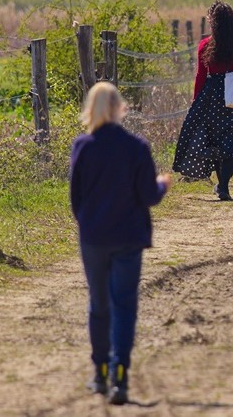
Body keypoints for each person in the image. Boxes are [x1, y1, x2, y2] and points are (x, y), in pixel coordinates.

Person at [69, 82, 171, 405]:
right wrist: (162, 185)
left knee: (99, 304)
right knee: (124, 305)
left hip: (94, 237)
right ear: (119, 108)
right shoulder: (136, 147)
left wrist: (89, 222)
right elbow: (148, 196)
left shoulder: (83, 146)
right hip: (128, 237)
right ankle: (121, 375)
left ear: (91, 109)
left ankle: (100, 372)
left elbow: (76, 198)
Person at [173, 0, 233, 200]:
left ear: (213, 22)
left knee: (214, 140)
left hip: (211, 97)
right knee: (231, 142)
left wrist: (196, 101)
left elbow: (201, 76)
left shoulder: (205, 45)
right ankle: (223, 185)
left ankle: (222, 185)